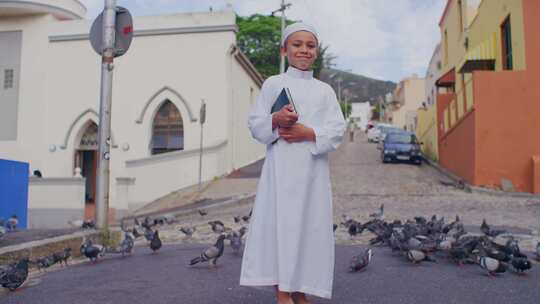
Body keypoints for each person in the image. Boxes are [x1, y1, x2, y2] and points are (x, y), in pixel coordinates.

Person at [239, 22, 346, 304]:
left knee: (309, 230)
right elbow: (255, 124)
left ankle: (299, 290)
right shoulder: (273, 84)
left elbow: (337, 129)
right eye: (297, 44)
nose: (304, 50)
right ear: (284, 50)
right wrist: (275, 120)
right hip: (281, 172)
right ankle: (283, 293)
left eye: (310, 45)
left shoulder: (325, 91)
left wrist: (308, 132)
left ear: (316, 51)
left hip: (313, 174)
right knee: (281, 228)